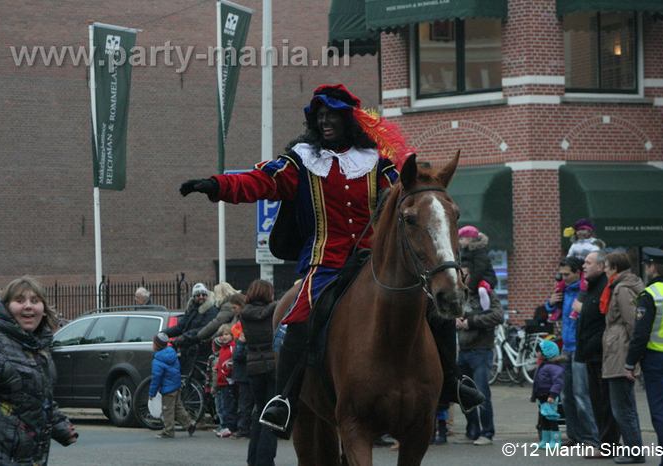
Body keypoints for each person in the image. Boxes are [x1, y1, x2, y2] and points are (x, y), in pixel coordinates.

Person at [180, 83, 483, 436]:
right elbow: (260, 181)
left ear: (348, 121)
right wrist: (217, 185)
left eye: (332, 116)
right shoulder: (302, 161)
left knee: (432, 303)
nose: (325, 122)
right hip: (327, 260)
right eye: (319, 117)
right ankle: (284, 399)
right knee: (302, 315)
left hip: (373, 258)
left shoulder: (377, 162)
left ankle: (452, 382)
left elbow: (408, 191)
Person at [0, 276, 78, 465]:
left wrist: (61, 427)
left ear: (44, 310)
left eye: (35, 301)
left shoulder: (37, 347)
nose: (28, 306)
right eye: (19, 301)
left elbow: (36, 396)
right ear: (7, 307)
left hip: (28, 456)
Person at [545, 257, 599, 448]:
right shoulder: (564, 290)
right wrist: (550, 303)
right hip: (566, 347)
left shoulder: (584, 291)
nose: (564, 278)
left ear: (578, 273)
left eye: (567, 274)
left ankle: (591, 437)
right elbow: (554, 310)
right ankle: (575, 436)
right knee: (566, 394)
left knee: (581, 394)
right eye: (562, 274)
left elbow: (594, 314)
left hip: (580, 348)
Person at [625, 247, 663, 465]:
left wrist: (630, 363)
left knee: (662, 411)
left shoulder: (650, 295)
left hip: (657, 361)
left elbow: (640, 334)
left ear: (652, 267)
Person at [600, 251, 645, 464]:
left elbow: (633, 322)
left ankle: (634, 451)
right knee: (625, 405)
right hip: (619, 349)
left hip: (619, 351)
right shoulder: (624, 285)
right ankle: (634, 449)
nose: (605, 269)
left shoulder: (621, 289)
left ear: (615, 268)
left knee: (622, 407)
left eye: (607, 266)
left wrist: (631, 355)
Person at [453, 262, 503, 446]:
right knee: (465, 394)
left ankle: (487, 433)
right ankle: (472, 430)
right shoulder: (460, 295)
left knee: (482, 393)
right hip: (463, 351)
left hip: (481, 351)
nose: (461, 278)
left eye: (464, 275)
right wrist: (455, 318)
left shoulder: (486, 292)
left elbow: (497, 315)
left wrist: (470, 322)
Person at [576, 250, 619, 458]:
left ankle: (610, 445)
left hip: (602, 354)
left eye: (588, 262)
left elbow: (605, 323)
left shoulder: (604, 288)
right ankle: (604, 443)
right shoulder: (591, 288)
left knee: (605, 402)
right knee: (596, 400)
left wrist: (591, 345)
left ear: (601, 267)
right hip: (590, 355)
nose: (583, 266)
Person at [240, 279, 279, 466]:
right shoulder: (275, 309)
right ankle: (265, 461)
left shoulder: (244, 314)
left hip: (254, 365)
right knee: (272, 415)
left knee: (259, 412)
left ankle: (253, 459)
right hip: (272, 364)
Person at [149, 332, 197, 439]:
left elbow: (156, 379)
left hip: (167, 389)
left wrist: (151, 394)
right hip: (176, 385)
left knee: (167, 409)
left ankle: (169, 430)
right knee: (177, 407)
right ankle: (189, 424)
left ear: (156, 345)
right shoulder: (172, 354)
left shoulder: (157, 361)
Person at [164, 283, 218, 374]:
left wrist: (185, 336)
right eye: (198, 295)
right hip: (188, 349)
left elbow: (204, 328)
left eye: (204, 294)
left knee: (196, 377)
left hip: (201, 350)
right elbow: (179, 327)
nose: (201, 297)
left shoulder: (211, 310)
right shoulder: (191, 309)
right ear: (194, 297)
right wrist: (163, 333)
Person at [530, 340, 567, 449]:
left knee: (551, 418)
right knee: (544, 419)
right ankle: (545, 440)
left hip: (549, 397)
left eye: (540, 352)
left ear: (547, 353)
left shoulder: (554, 368)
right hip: (542, 397)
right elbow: (537, 383)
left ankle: (555, 440)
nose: (538, 354)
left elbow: (558, 383)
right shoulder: (544, 366)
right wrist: (534, 396)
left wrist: (553, 395)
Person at [229, 293, 254, 439]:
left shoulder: (244, 324)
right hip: (248, 370)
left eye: (234, 307)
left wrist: (239, 343)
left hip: (245, 371)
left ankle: (244, 429)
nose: (233, 311)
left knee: (244, 403)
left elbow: (239, 354)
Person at [458, 225, 498, 311]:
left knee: (482, 290)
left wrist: (472, 285)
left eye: (462, 239)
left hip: (485, 278)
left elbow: (479, 269)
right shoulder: (466, 251)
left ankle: (486, 309)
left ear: (470, 239)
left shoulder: (479, 251)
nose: (459, 241)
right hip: (475, 277)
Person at [213, 324, 238, 438]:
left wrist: (227, 369)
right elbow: (222, 361)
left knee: (229, 405)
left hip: (228, 380)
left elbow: (232, 361)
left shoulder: (232, 347)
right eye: (222, 335)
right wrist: (218, 367)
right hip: (222, 380)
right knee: (224, 404)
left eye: (226, 334)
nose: (224, 337)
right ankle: (226, 425)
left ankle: (230, 427)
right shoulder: (223, 348)